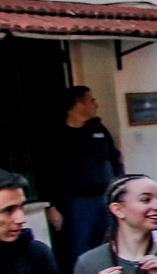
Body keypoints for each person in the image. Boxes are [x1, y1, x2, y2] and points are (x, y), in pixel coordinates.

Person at [42, 85, 125, 263]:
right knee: (78, 250)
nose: (96, 104)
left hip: (104, 197)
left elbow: (115, 159)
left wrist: (120, 189)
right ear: (79, 105)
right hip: (76, 202)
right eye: (91, 100)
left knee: (107, 246)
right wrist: (51, 205)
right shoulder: (57, 135)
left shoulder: (98, 128)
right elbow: (47, 172)